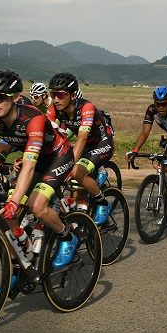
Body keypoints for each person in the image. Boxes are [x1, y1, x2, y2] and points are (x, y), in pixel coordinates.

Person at [0, 70, 82, 271]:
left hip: (58, 155)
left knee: (37, 206)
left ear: (16, 97)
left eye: (1, 97)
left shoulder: (33, 118)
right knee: (5, 215)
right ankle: (20, 265)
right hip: (35, 159)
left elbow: (29, 166)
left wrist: (14, 202)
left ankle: (68, 237)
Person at [48, 72, 115, 222]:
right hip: (85, 145)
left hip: (102, 143)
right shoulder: (54, 108)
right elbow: (46, 134)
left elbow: (83, 137)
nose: (56, 99)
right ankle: (82, 211)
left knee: (77, 171)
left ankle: (102, 202)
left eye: (60, 95)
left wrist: (69, 165)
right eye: (53, 94)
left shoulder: (86, 107)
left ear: (72, 96)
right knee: (72, 182)